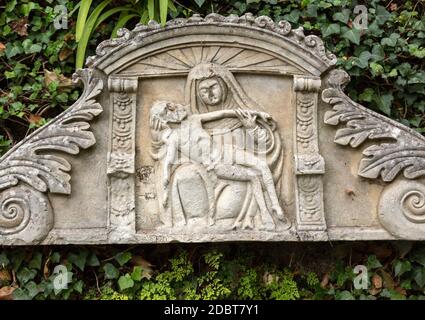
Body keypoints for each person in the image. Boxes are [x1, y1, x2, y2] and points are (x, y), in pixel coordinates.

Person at [150, 63, 286, 230]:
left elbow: (265, 144)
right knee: (186, 176)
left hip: (230, 160)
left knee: (260, 167)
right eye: (203, 91)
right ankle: (205, 219)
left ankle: (274, 209)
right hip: (213, 172)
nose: (210, 94)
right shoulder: (180, 130)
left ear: (224, 85)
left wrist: (252, 125)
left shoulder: (196, 119)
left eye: (214, 86)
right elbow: (169, 160)